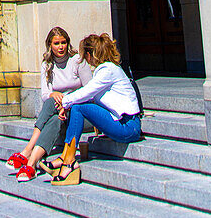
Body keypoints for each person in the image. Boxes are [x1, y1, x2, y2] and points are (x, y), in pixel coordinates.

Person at [51, 33, 142, 186]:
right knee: (78, 106)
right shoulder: (107, 69)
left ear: (89, 54)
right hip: (123, 123)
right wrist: (67, 105)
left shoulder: (108, 70)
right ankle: (66, 157)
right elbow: (90, 95)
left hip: (128, 127)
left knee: (78, 107)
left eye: (85, 55)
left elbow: (87, 91)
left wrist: (64, 103)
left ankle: (68, 161)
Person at [5, 27, 92, 182]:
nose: (61, 47)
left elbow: (90, 92)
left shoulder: (78, 61)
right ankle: (31, 164)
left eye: (64, 42)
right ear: (50, 45)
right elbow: (45, 95)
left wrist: (66, 100)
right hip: (60, 114)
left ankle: (27, 150)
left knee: (54, 102)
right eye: (57, 43)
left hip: (80, 114)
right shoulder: (47, 64)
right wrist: (54, 95)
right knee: (54, 117)